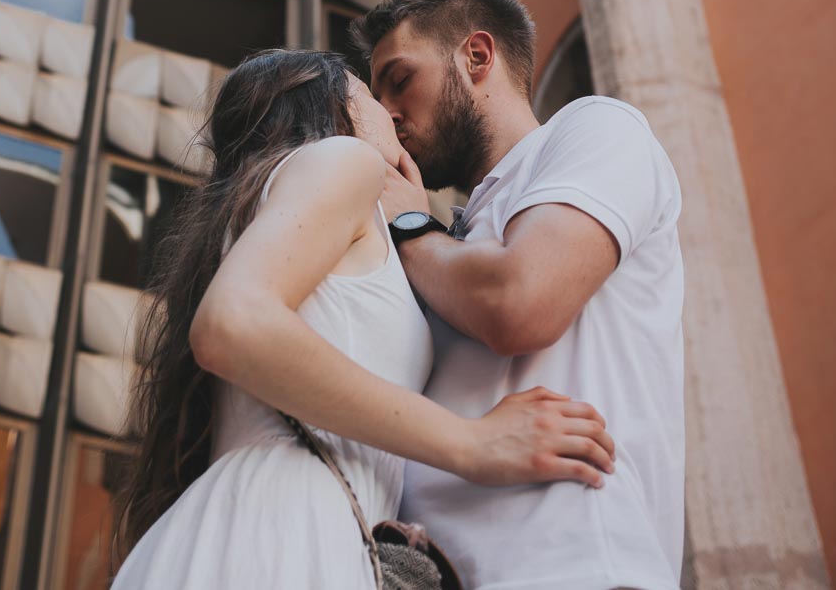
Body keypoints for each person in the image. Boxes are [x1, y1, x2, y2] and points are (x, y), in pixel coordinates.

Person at [112, 48, 616, 588]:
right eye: (369, 95)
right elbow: (232, 324)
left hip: (275, 532)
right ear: (336, 108)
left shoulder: (286, 208)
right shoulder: (344, 160)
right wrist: (473, 443)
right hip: (283, 537)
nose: (389, 114)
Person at [354, 0, 686, 590]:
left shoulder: (596, 129)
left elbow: (521, 302)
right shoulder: (442, 244)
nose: (389, 116)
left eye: (400, 81)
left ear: (477, 56)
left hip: (575, 567)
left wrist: (407, 225)